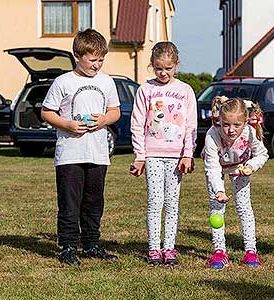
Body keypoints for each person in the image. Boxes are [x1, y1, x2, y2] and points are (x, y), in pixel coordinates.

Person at [41, 29, 120, 266]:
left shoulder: (107, 81)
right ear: (77, 55)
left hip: (98, 153)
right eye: (92, 60)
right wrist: (67, 124)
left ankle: (92, 244)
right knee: (70, 202)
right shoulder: (63, 82)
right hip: (70, 154)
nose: (97, 65)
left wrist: (104, 120)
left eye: (101, 60)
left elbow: (114, 111)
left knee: (94, 201)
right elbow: (46, 112)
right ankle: (67, 246)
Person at [130, 41, 197, 266]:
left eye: (168, 68)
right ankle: (153, 249)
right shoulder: (145, 90)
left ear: (176, 66)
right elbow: (137, 123)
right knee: (154, 201)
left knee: (172, 203)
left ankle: (169, 248)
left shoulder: (185, 91)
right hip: (152, 155)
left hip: (176, 156)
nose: (163, 73)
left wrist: (188, 153)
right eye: (159, 68)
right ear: (152, 66)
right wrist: (140, 155)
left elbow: (190, 125)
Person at [203, 96, 268, 269]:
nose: (230, 130)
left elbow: (262, 154)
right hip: (218, 169)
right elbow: (212, 167)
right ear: (219, 120)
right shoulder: (213, 134)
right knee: (217, 209)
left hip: (241, 168)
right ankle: (219, 251)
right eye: (226, 124)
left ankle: (251, 251)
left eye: (236, 125)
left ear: (245, 122)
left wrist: (251, 166)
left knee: (244, 208)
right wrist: (219, 190)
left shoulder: (250, 132)